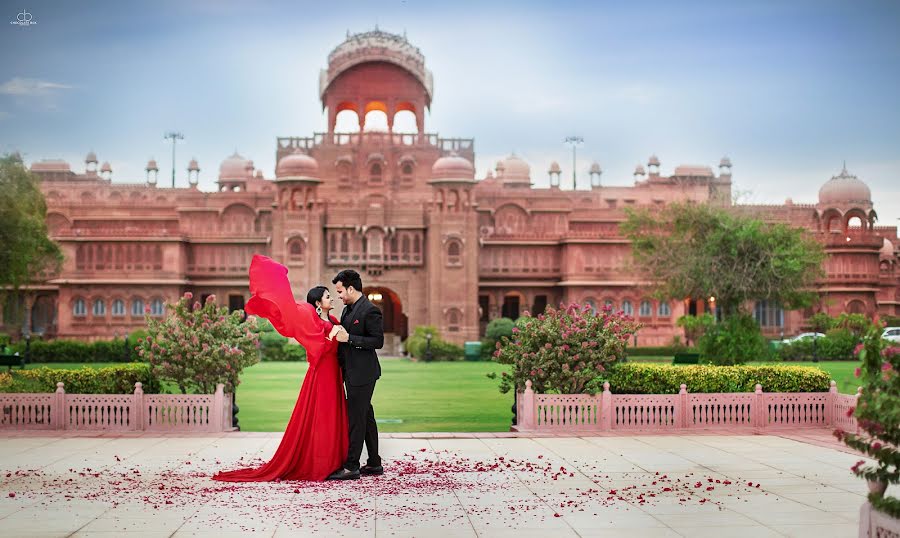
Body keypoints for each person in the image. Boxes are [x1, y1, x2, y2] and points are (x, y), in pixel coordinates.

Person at [213, 254, 349, 482]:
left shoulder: (333, 320)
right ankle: (321, 463)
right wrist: (332, 336)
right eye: (328, 296)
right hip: (322, 373)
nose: (331, 299)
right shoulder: (314, 320)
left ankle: (337, 460)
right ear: (318, 302)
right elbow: (316, 348)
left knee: (333, 414)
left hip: (334, 372)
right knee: (322, 417)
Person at [327, 269, 384, 481]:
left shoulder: (370, 310)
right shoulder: (348, 310)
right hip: (351, 371)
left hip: (363, 373)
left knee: (356, 419)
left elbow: (377, 341)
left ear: (351, 288)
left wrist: (350, 338)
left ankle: (352, 466)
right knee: (366, 416)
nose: (339, 295)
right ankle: (375, 463)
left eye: (340, 291)